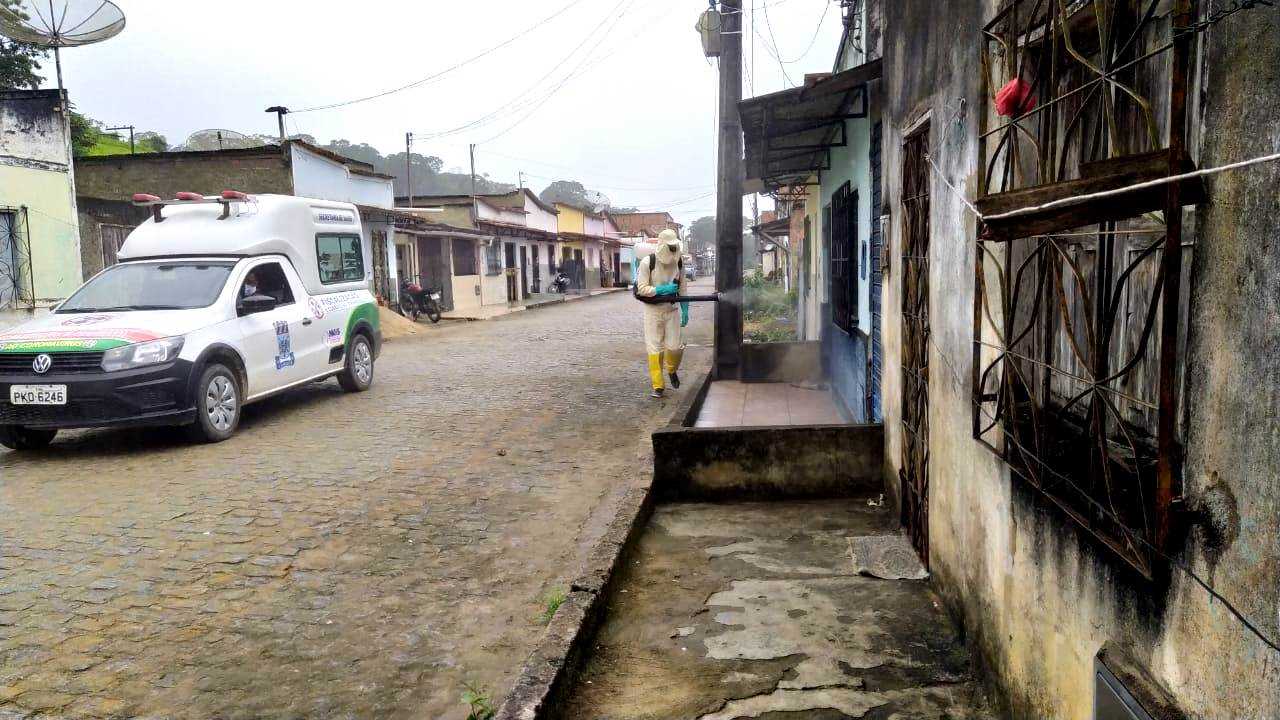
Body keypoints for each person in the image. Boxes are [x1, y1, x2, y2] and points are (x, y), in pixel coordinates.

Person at [634, 229, 689, 398]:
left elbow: (683, 288)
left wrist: (686, 308)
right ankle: (658, 385)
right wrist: (660, 289)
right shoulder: (647, 263)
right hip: (653, 311)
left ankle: (672, 370)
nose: (673, 251)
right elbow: (641, 289)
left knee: (675, 346)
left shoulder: (679, 262)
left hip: (671, 310)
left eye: (674, 247)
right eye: (670, 247)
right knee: (654, 348)